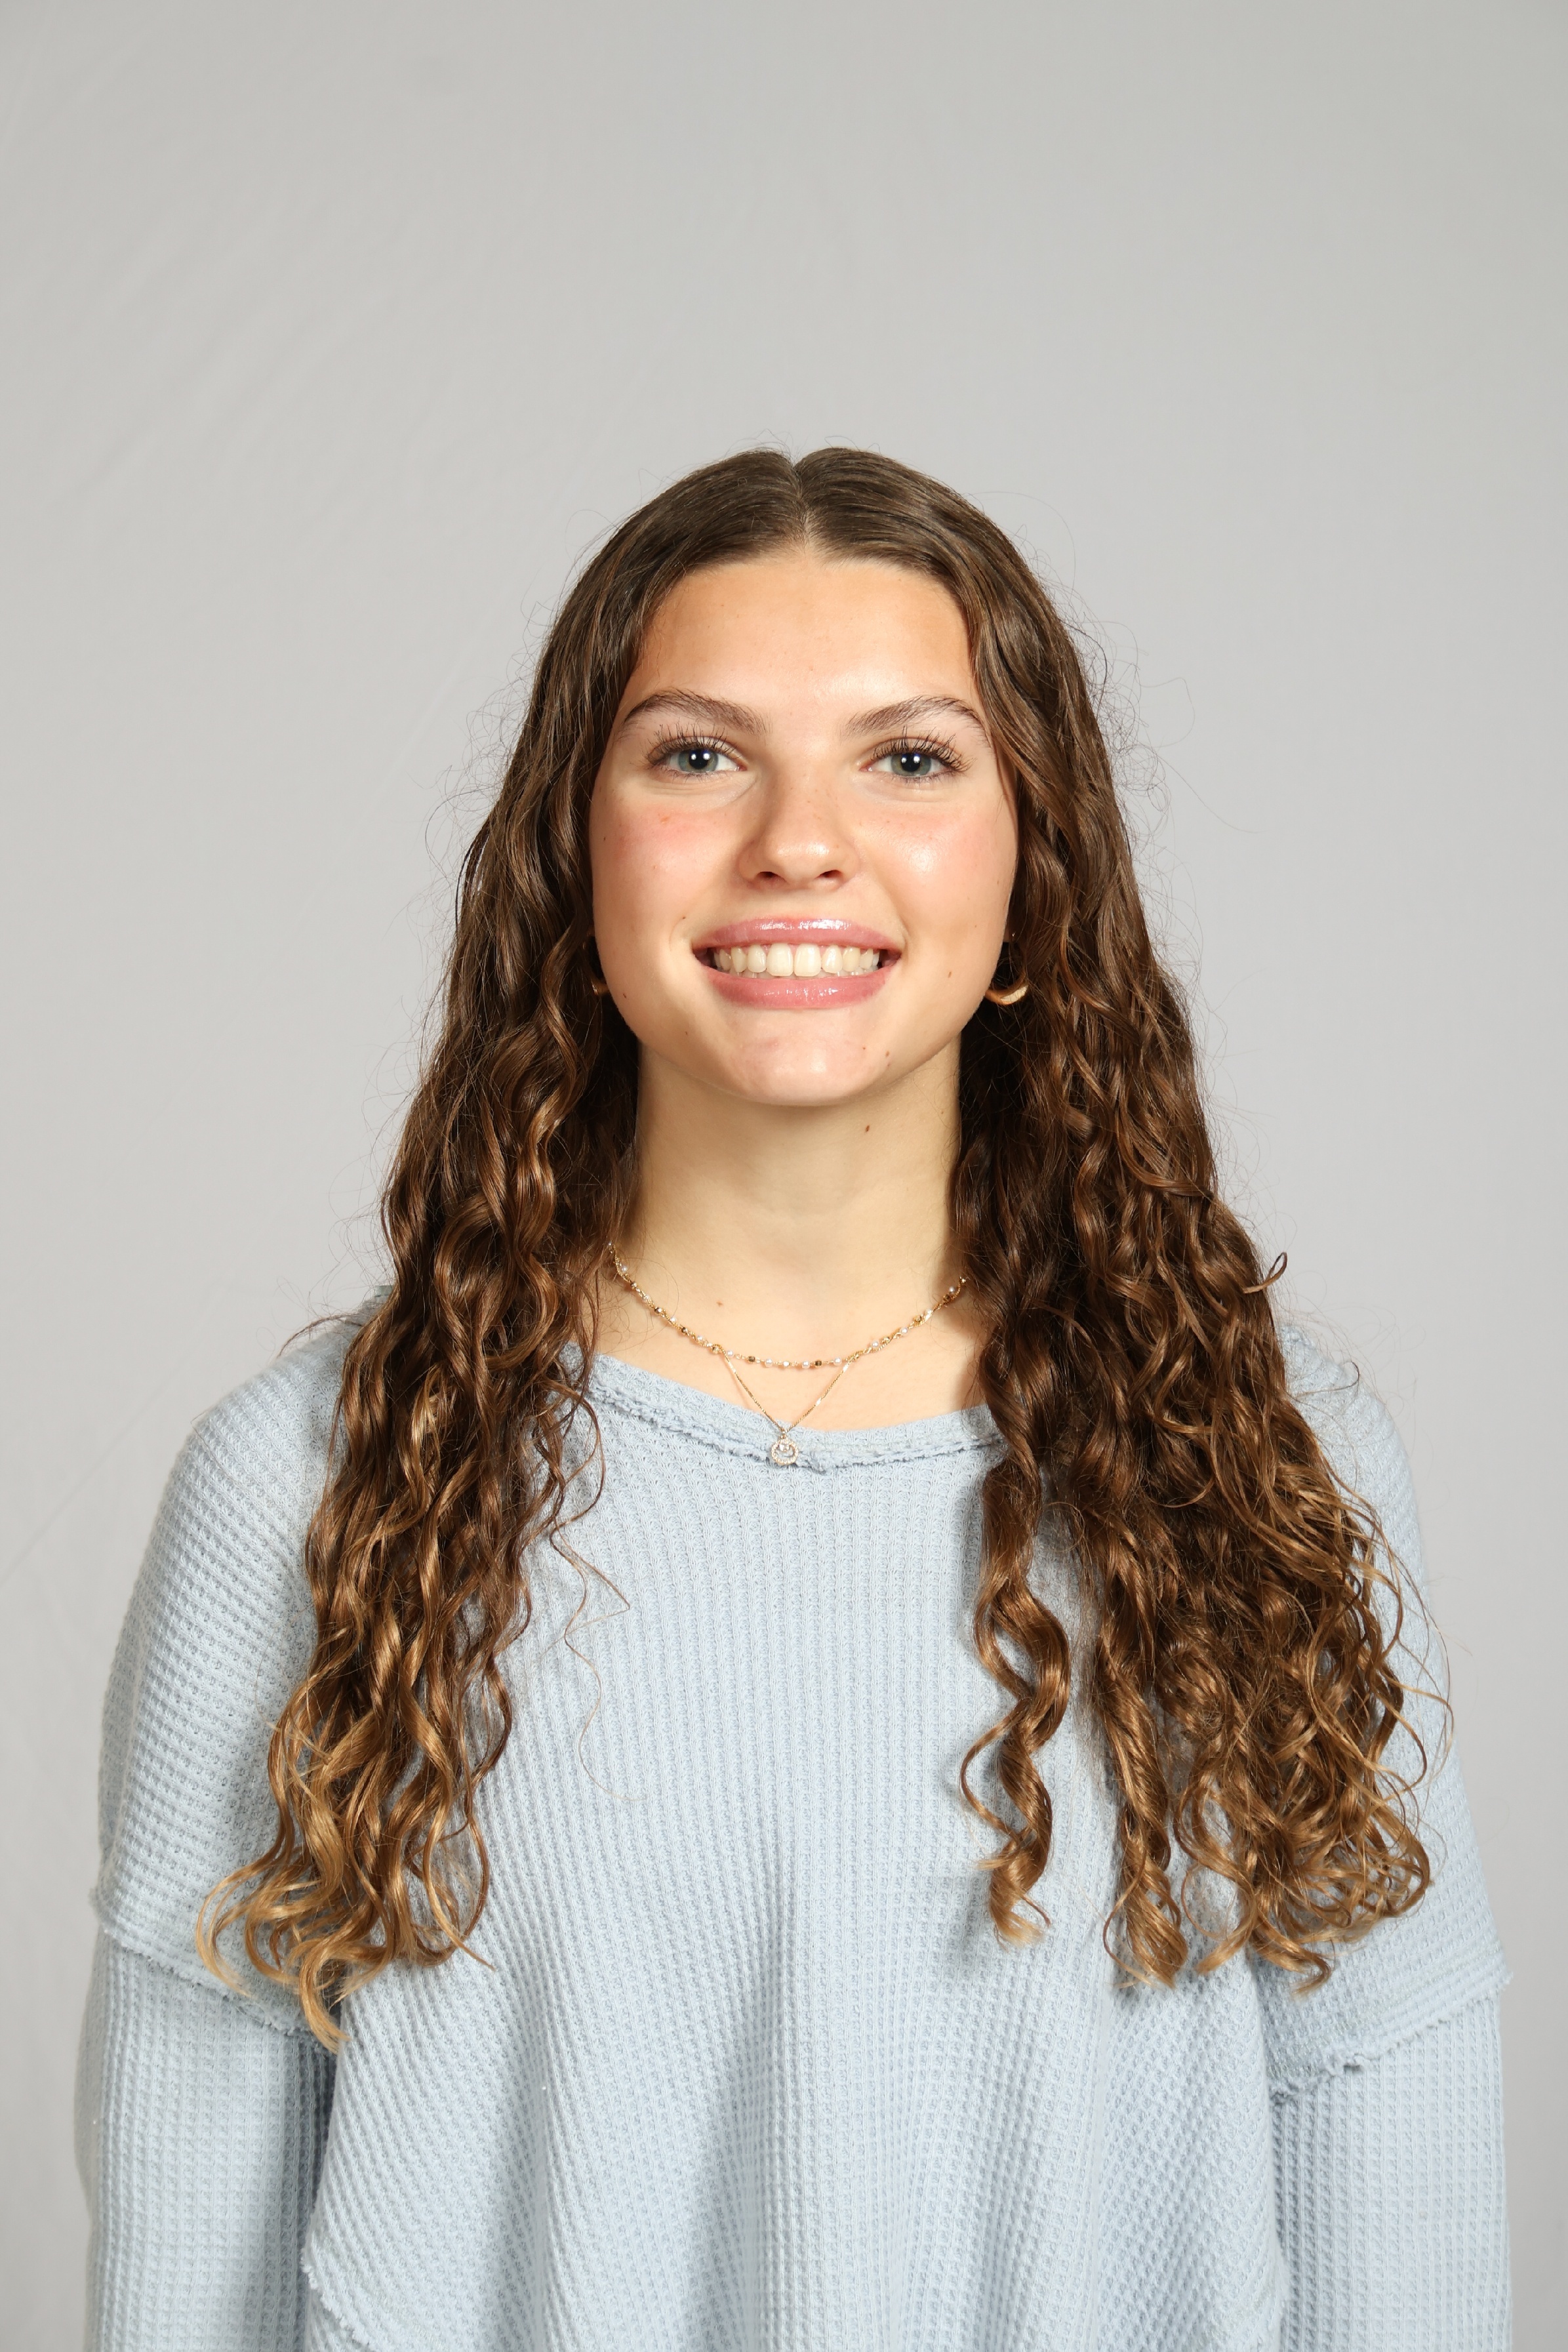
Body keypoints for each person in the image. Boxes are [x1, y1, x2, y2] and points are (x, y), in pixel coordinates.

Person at [76, 449, 1510, 2351]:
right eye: (698, 754)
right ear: (577, 852)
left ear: (1036, 864)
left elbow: (1389, 2150)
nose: (799, 843)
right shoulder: (316, 1483)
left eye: (909, 758)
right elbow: (190, 2246)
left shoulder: (1256, 1459)